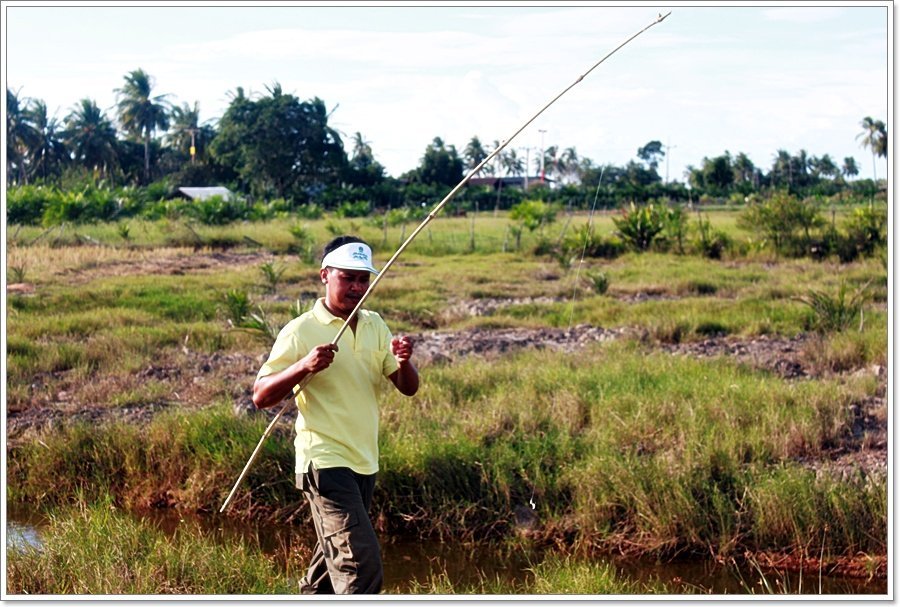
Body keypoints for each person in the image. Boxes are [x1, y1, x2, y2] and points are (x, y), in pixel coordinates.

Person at [251, 235, 419, 594]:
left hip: (364, 461)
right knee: (360, 566)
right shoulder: (300, 330)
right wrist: (305, 365)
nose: (357, 287)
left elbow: (407, 387)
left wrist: (405, 362)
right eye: (348, 277)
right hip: (324, 462)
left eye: (363, 279)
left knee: (327, 572)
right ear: (325, 275)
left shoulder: (375, 324)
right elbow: (261, 396)